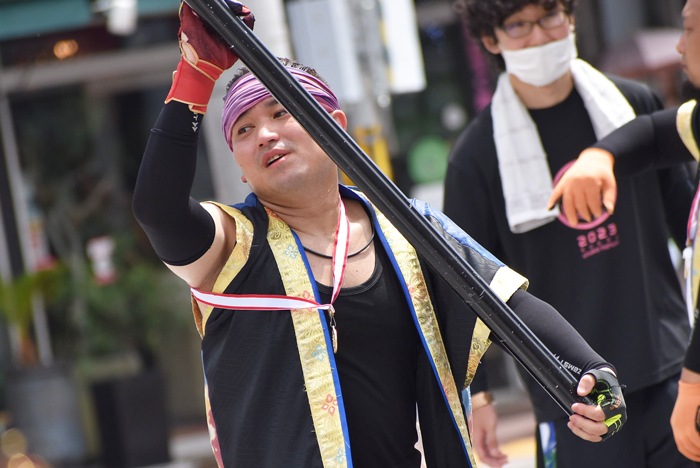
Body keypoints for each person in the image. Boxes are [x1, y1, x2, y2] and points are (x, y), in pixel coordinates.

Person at [132, 2, 626, 467]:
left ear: (335, 127)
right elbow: (159, 211)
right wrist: (195, 76)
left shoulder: (408, 229)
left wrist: (593, 374)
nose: (264, 134)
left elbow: (508, 306)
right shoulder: (232, 246)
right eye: (243, 129)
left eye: (281, 112)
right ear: (238, 167)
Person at [443, 1, 696, 467]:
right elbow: (464, 289)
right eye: (518, 25)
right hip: (573, 397)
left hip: (670, 369)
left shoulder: (632, 108)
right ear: (491, 40)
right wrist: (476, 397)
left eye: (550, 16)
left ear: (572, 17)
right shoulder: (475, 157)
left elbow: (690, 224)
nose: (539, 36)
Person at [548, 0, 700, 461]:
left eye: (690, 28)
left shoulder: (632, 94)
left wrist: (692, 381)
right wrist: (601, 157)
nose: (679, 44)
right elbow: (655, 136)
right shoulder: (476, 154)